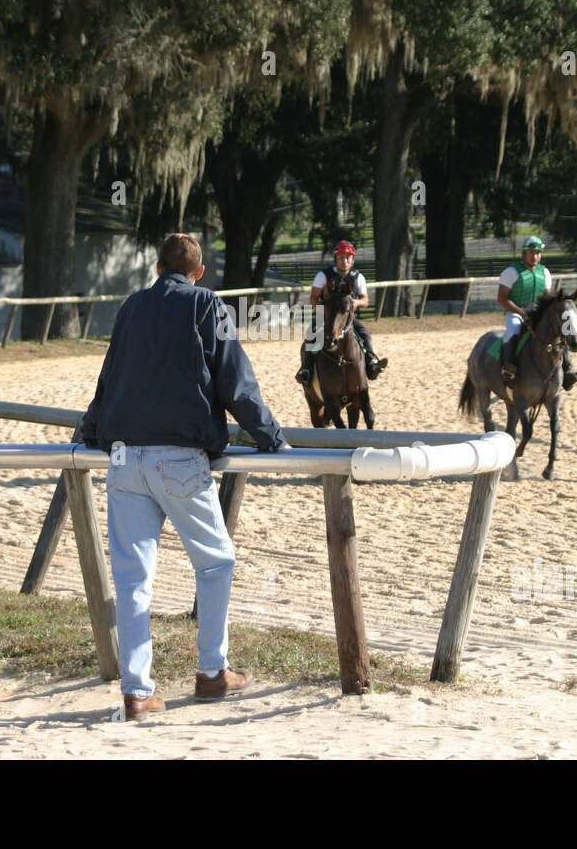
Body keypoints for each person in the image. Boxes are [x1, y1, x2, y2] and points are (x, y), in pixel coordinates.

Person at [82, 233, 289, 721]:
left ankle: (136, 692)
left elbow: (109, 376)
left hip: (121, 457)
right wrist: (272, 438)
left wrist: (90, 430)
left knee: (132, 579)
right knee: (216, 562)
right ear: (198, 272)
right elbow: (235, 381)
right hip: (178, 459)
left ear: (157, 268)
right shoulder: (206, 304)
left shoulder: (132, 306)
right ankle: (212, 670)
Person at [295, 239, 387, 385]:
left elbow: (365, 300)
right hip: (324, 318)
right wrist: (328, 311)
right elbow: (313, 300)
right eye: (342, 257)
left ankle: (371, 363)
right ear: (336, 259)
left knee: (365, 334)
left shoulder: (358, 277)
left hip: (347, 319)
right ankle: (306, 369)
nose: (345, 261)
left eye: (348, 257)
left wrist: (355, 303)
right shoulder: (323, 276)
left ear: (353, 259)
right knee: (312, 336)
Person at [496, 236, 577, 389]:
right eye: (531, 252)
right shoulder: (511, 272)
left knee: (561, 331)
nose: (534, 256)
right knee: (513, 330)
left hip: (538, 314)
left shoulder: (545, 272)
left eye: (538, 253)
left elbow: (547, 299)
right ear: (524, 253)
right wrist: (522, 313)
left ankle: (567, 370)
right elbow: (502, 299)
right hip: (517, 312)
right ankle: (508, 368)